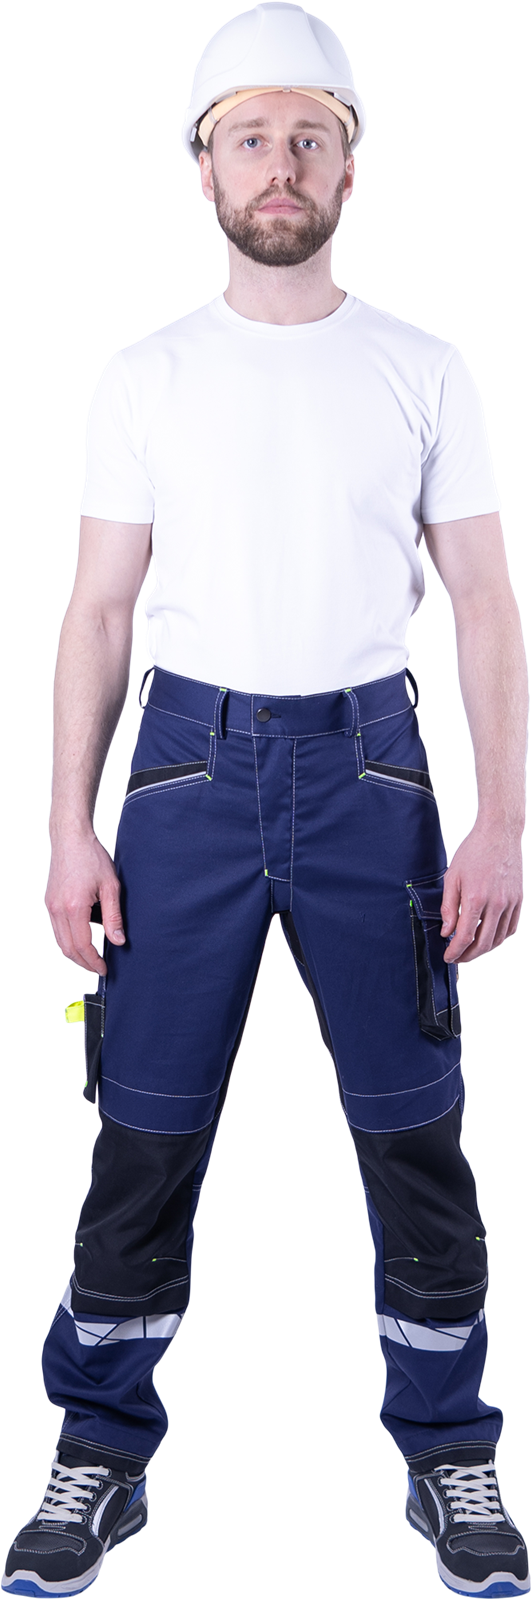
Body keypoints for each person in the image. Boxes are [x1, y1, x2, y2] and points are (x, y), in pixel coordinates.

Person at [2, 4, 529, 1597]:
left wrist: (502, 822)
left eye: (310, 136)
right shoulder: (144, 377)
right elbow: (100, 610)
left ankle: (450, 1449)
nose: (279, 162)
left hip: (372, 776)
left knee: (414, 1133)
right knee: (141, 1136)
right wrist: (67, 825)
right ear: (205, 167)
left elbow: (486, 607)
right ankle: (100, 1447)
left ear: (350, 169)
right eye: (251, 136)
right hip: (183, 777)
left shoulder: (424, 370)